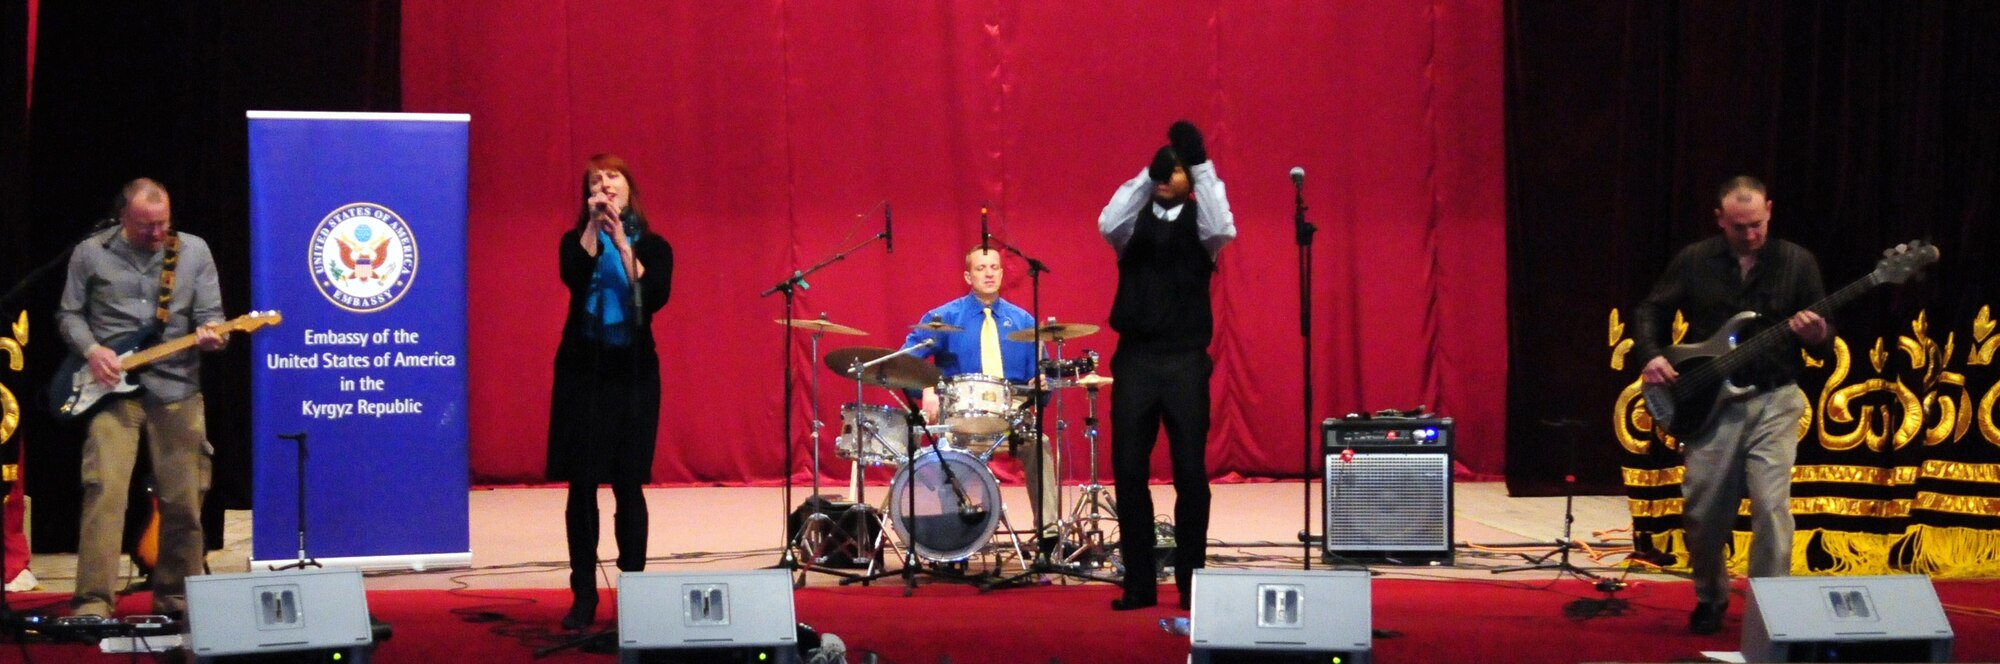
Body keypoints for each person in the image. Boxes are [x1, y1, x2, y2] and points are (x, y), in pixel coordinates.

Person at [1634, 175, 1828, 635]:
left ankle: (1771, 609)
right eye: (1739, 226)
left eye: (1757, 224)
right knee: (1702, 511)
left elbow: (1823, 339)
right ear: (1720, 219)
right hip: (1711, 403)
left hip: (1776, 399)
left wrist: (1817, 334)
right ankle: (1711, 596)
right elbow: (1650, 312)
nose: (1750, 235)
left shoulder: (1798, 262)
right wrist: (1652, 356)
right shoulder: (1695, 259)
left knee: (1771, 506)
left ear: (1770, 212)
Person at [57, 178, 224, 618]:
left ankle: (177, 598)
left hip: (178, 391)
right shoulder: (91, 252)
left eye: (163, 224)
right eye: (146, 225)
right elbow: (69, 314)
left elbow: (212, 318)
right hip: (111, 393)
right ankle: (93, 601)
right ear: (123, 218)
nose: (157, 234)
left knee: (184, 501)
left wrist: (212, 336)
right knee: (105, 494)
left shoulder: (193, 251)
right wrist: (93, 351)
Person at [1098, 121, 1235, 610]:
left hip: (1183, 361)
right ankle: (1139, 584)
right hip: (1135, 359)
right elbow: (1107, 221)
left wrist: (1199, 166)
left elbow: (1222, 225)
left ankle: (1191, 584)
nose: (1165, 177)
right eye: (1163, 170)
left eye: (1173, 171)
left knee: (1189, 475)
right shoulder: (1133, 226)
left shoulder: (1203, 227)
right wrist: (1147, 173)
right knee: (1129, 470)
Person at [545, 154, 673, 631]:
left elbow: (656, 295)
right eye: (596, 181)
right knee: (581, 486)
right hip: (583, 372)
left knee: (627, 483)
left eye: (613, 176)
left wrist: (622, 242)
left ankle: (634, 591)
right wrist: (594, 231)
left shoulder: (655, 247)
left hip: (635, 373)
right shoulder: (575, 242)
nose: (605, 184)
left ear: (629, 188)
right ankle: (583, 594)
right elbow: (573, 275)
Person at [900, 247, 1055, 538]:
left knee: (1039, 443)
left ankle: (1048, 532)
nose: (989, 273)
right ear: (968, 276)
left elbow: (1043, 388)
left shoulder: (1024, 322)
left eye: (994, 267)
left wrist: (1042, 386)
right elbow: (902, 365)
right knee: (944, 450)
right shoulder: (943, 317)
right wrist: (926, 389)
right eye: (981, 268)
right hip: (960, 417)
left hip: (1012, 416)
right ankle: (955, 536)